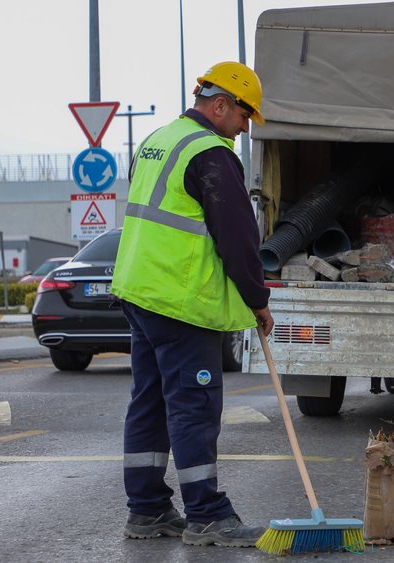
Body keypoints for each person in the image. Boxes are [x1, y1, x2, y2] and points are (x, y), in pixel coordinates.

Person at [111, 62, 276, 547]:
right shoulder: (211, 154)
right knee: (194, 406)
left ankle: (146, 511)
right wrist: (257, 299)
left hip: (141, 293)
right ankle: (206, 515)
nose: (246, 127)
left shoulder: (158, 140)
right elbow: (238, 237)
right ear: (220, 104)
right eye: (245, 115)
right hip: (180, 302)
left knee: (150, 403)